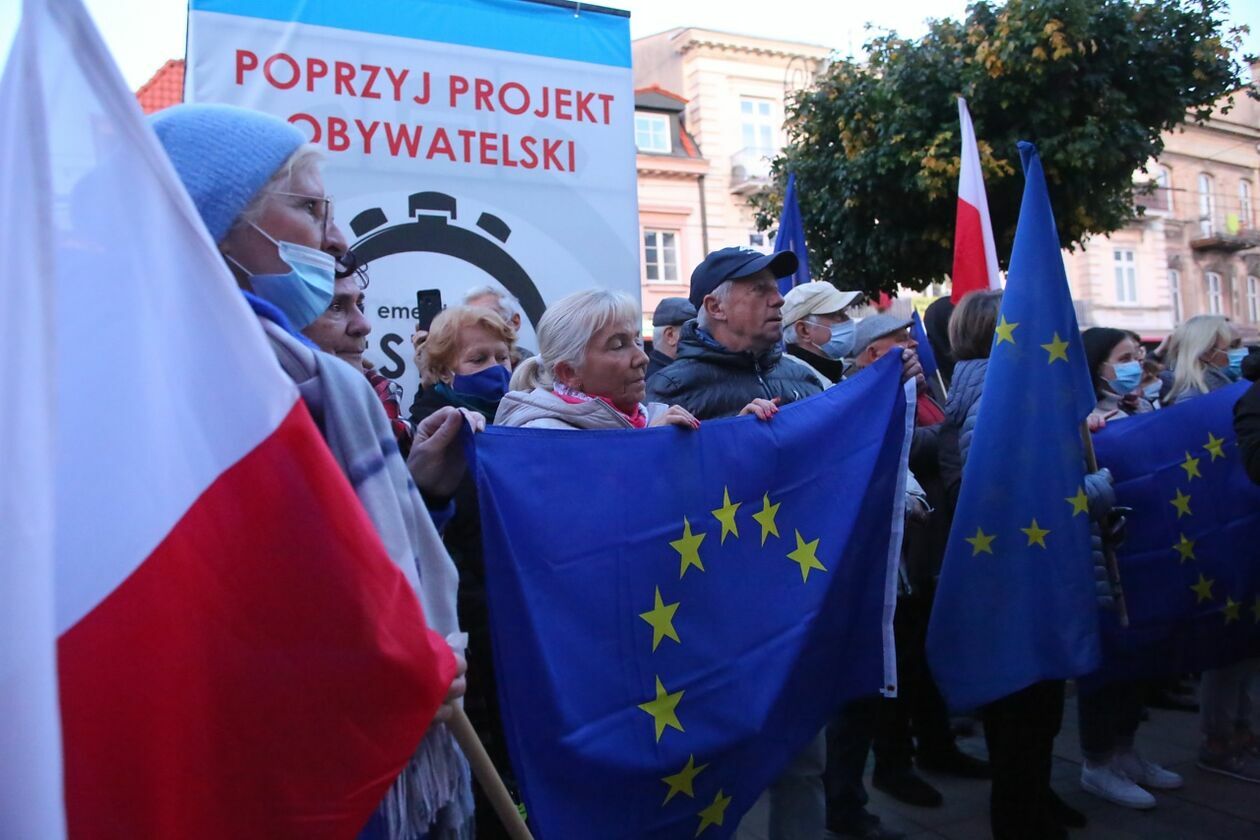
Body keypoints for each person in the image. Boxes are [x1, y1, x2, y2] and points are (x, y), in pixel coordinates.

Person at [151, 103, 473, 839]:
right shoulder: (199, 392)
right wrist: (393, 666)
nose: (337, 237)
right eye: (309, 208)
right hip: (280, 782)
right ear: (219, 222)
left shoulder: (308, 382)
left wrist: (421, 492)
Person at [940, 289, 1113, 839]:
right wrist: (1095, 488)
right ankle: (1018, 814)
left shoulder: (999, 386)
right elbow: (1005, 486)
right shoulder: (996, 392)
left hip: (1026, 563)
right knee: (1020, 698)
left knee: (1039, 695)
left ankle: (1035, 794)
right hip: (1011, 568)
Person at [846, 316, 989, 813]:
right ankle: (894, 764)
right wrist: (952, 430)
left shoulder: (927, 391)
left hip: (933, 545)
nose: (915, 348)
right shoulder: (862, 396)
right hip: (898, 559)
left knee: (926, 657)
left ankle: (937, 745)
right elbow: (892, 447)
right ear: (871, 357)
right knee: (899, 664)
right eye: (901, 344)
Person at [1073, 328, 1181, 810]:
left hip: (1147, 553)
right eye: (1124, 357)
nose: (1137, 363)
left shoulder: (1142, 410)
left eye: (1139, 355)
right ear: (1098, 366)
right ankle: (1098, 763)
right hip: (1103, 559)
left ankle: (1127, 751)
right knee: (1107, 665)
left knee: (1138, 658)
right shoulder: (1081, 422)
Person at [1159, 315, 1260, 782]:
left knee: (1245, 642)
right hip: (1215, 534)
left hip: (1239, 527)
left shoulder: (1231, 391)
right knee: (1226, 643)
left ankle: (1241, 730)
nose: (1237, 352)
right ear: (1205, 352)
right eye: (1229, 345)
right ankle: (1218, 739)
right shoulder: (1190, 401)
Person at [645, 247, 827, 420]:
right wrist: (733, 434)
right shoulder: (670, 390)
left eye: (776, 289)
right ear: (715, 307)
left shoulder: (804, 377)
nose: (779, 300)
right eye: (760, 289)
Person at [496, 289, 700, 431]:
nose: (642, 358)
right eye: (618, 345)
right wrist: (646, 446)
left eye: (636, 340)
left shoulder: (652, 420)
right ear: (569, 373)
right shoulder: (541, 437)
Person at [781, 281, 862, 383]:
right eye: (836, 314)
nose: (848, 320)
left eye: (843, 312)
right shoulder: (791, 385)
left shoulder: (837, 375)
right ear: (804, 331)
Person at [1081, 328, 1155, 421]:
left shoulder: (1137, 407)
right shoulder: (1085, 421)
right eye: (1125, 359)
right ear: (1098, 365)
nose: (1135, 364)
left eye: (1135, 357)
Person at [1160, 314, 1235, 405]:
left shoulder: (1215, 382)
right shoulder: (1192, 397)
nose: (1233, 352)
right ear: (1206, 352)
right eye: (1229, 348)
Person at [465, 284, 535, 364]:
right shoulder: (460, 370)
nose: (479, 328)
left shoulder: (534, 371)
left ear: (514, 322)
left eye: (489, 317)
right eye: (471, 320)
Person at [647, 297, 697, 379]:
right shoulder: (671, 380)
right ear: (670, 335)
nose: (701, 337)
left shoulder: (648, 375)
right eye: (694, 331)